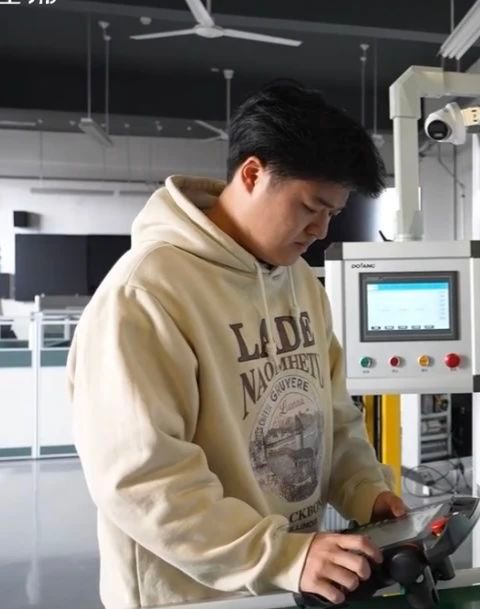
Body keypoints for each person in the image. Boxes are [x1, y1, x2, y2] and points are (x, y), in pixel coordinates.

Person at [68, 81, 407, 609]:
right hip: (194, 595)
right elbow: (142, 478)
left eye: (333, 214)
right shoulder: (146, 293)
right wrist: (280, 555)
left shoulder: (300, 281)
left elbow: (332, 414)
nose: (320, 230)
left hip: (289, 577)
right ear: (252, 174)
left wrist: (367, 491)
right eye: (310, 207)